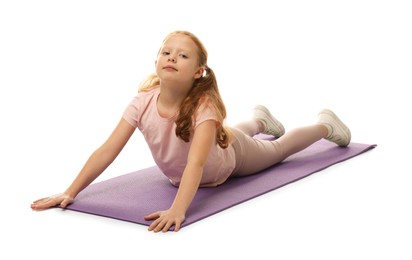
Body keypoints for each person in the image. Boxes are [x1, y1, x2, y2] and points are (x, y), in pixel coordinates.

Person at [31, 30, 351, 232]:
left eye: (182, 55)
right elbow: (107, 149)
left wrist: (178, 209)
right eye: (167, 52)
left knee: (277, 151)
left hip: (230, 159)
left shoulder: (203, 107)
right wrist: (70, 191)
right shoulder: (141, 102)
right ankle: (261, 122)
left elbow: (196, 164)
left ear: (198, 72)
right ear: (156, 61)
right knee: (223, 132)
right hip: (217, 142)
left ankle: (325, 125)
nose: (172, 57)